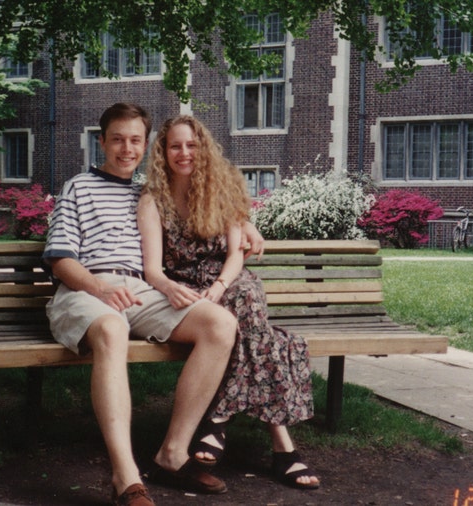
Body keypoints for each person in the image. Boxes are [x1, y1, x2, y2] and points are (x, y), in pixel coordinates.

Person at [43, 103, 240, 506]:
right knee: (113, 328)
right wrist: (98, 288)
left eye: (135, 140)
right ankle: (125, 476)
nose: (126, 148)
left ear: (146, 144)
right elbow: (60, 260)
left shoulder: (151, 192)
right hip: (84, 290)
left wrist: (246, 222)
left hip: (139, 291)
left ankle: (172, 451)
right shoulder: (78, 186)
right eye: (117, 139)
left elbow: (211, 201)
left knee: (220, 324)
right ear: (101, 142)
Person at [137, 115, 320, 489]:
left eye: (191, 145)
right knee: (266, 339)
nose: (184, 153)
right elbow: (153, 269)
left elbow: (236, 255)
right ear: (163, 152)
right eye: (175, 146)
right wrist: (170, 288)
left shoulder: (223, 188)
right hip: (186, 289)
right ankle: (283, 450)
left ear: (203, 148)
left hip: (226, 281)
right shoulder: (152, 200)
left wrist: (220, 286)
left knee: (248, 299)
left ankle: (217, 420)